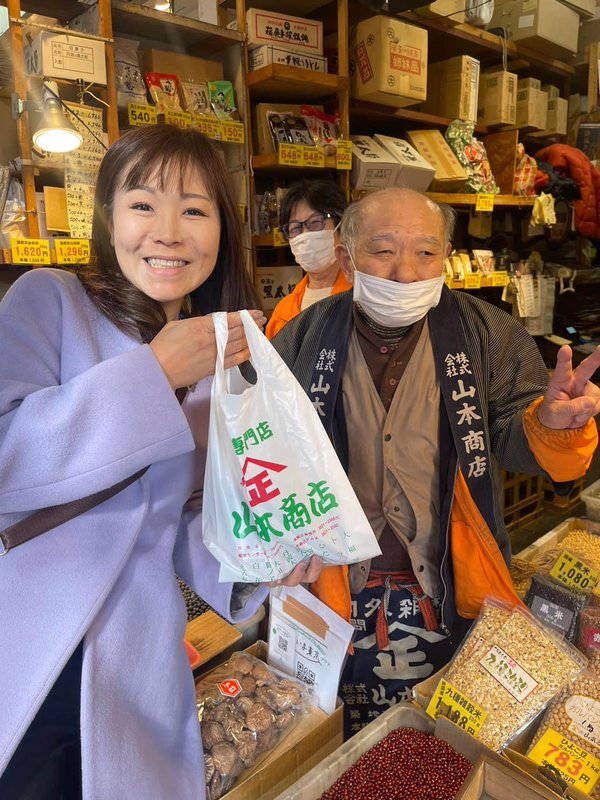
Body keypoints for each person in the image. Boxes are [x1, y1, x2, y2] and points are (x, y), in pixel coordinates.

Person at [0, 124, 322, 800]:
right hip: (25, 636)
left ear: (222, 231)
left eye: (194, 210)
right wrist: (154, 373)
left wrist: (260, 560)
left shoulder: (217, 359)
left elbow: (187, 518)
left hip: (136, 659)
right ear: (108, 219)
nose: (169, 232)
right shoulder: (48, 300)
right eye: (143, 204)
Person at [271, 187, 600, 738]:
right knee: (339, 738)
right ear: (347, 256)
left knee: (441, 736)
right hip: (334, 587)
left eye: (425, 252)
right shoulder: (303, 334)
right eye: (383, 250)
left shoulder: (487, 332)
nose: (405, 272)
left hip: (447, 585)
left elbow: (514, 441)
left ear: (445, 255)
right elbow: (268, 453)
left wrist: (553, 426)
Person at [265, 178, 351, 339]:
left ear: (342, 226)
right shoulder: (282, 312)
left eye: (315, 222)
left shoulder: (361, 301)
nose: (305, 234)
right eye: (295, 228)